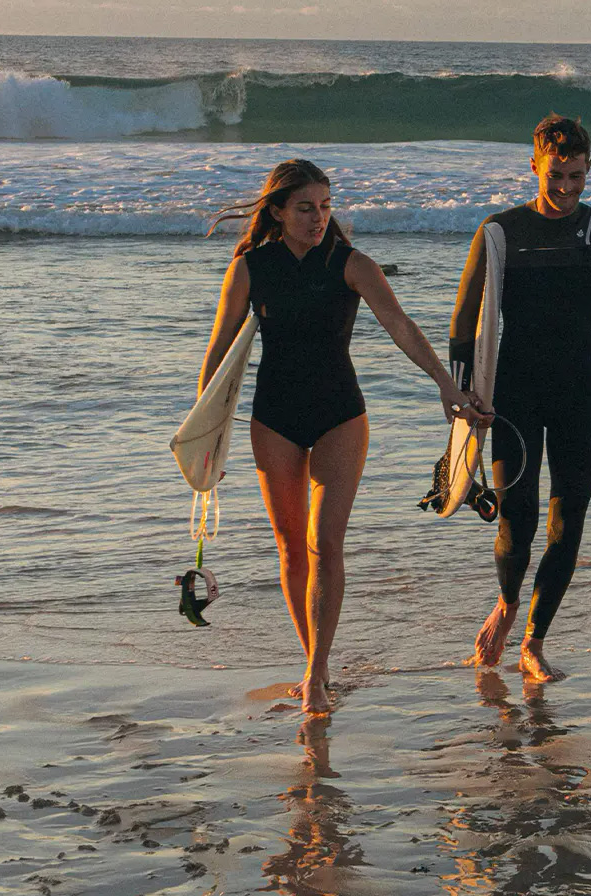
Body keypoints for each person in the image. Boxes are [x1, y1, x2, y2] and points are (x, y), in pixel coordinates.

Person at [200, 159, 482, 714]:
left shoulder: (351, 264)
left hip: (340, 416)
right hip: (273, 418)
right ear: (278, 211)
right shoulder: (250, 268)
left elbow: (401, 325)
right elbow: (218, 351)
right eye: (306, 207)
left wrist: (446, 384)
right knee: (290, 548)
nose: (318, 217)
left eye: (326, 206)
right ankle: (315, 662)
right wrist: (206, 435)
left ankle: (316, 671)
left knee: (325, 544)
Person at [457, 115, 591, 682]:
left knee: (568, 521)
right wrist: (460, 403)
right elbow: (463, 325)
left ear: (588, 169)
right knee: (516, 524)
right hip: (513, 400)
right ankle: (505, 603)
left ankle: (535, 641)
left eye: (577, 176)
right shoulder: (500, 231)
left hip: (579, 395)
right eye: (557, 176)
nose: (568, 188)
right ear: (534, 166)